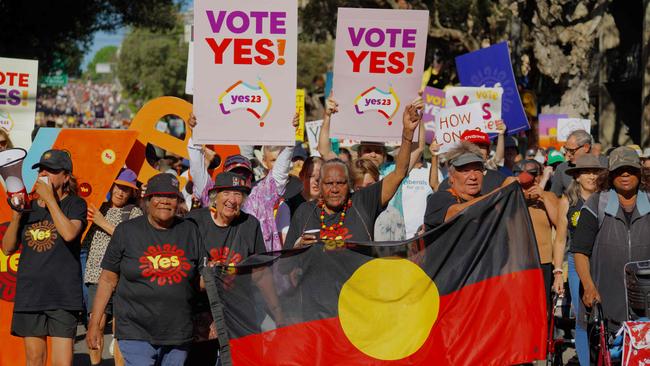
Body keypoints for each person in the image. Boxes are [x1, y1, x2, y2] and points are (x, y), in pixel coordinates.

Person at [87, 173, 205, 366]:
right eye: (158, 196)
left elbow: (201, 278)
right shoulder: (126, 231)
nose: (165, 201)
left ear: (178, 201)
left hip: (177, 331)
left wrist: (227, 276)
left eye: (171, 196)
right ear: (147, 200)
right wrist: (95, 324)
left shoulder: (190, 231)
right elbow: (108, 279)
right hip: (135, 330)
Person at [285, 100, 423, 248]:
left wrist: (408, 133)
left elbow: (399, 172)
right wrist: (297, 247)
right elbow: (285, 263)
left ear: (348, 183)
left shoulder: (363, 202)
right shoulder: (305, 212)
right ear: (320, 184)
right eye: (329, 183)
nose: (335, 189)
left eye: (340, 183)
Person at [2, 149, 87, 366]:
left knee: (62, 362)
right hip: (30, 293)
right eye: (41, 170)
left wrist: (49, 199)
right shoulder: (28, 207)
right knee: (34, 360)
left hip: (62, 295)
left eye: (52, 171)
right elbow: (7, 248)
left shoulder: (76, 204)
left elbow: (69, 233)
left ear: (66, 176)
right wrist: (16, 217)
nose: (44, 174)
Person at [572, 147, 650, 334]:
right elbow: (580, 251)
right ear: (610, 174)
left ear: (639, 173)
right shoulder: (596, 204)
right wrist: (589, 286)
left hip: (646, 304)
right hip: (606, 304)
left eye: (630, 170)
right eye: (618, 170)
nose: (625, 174)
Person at [82, 169, 142, 366]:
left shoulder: (134, 212)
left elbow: (130, 240)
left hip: (123, 276)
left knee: (120, 329)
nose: (121, 192)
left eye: (126, 189)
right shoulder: (98, 205)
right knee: (95, 325)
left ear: (132, 193)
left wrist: (101, 221)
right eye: (119, 187)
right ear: (112, 186)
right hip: (95, 274)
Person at [551, 154, 605, 366]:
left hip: (603, 260)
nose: (591, 175)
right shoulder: (568, 201)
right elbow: (560, 240)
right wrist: (557, 272)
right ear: (577, 176)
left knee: (605, 313)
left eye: (595, 171)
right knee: (583, 317)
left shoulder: (607, 197)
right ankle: (585, 362)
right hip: (576, 263)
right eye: (586, 172)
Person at [423, 142, 516, 230]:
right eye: (465, 171)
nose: (473, 176)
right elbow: (457, 213)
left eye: (477, 170)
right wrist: (502, 191)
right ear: (451, 176)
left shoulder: (488, 201)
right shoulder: (439, 198)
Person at [513, 159, 559, 314]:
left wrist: (543, 197)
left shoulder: (549, 196)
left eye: (533, 174)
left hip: (542, 261)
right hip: (517, 262)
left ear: (540, 176)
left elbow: (559, 223)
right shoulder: (512, 195)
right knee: (519, 307)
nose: (529, 179)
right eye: (523, 173)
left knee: (541, 308)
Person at [350, 158, 405, 240]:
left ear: (378, 181)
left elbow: (400, 249)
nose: (366, 192)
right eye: (360, 188)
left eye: (370, 186)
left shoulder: (393, 215)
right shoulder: (346, 214)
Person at [437, 132, 507, 194]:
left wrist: (501, 134)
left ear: (488, 152)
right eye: (472, 146)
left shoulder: (500, 179)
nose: (477, 150)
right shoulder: (447, 184)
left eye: (481, 146)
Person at [551, 130, 605, 197]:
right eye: (566, 150)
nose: (568, 154)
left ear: (586, 147)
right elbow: (554, 197)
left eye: (572, 151)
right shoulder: (562, 169)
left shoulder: (604, 165)